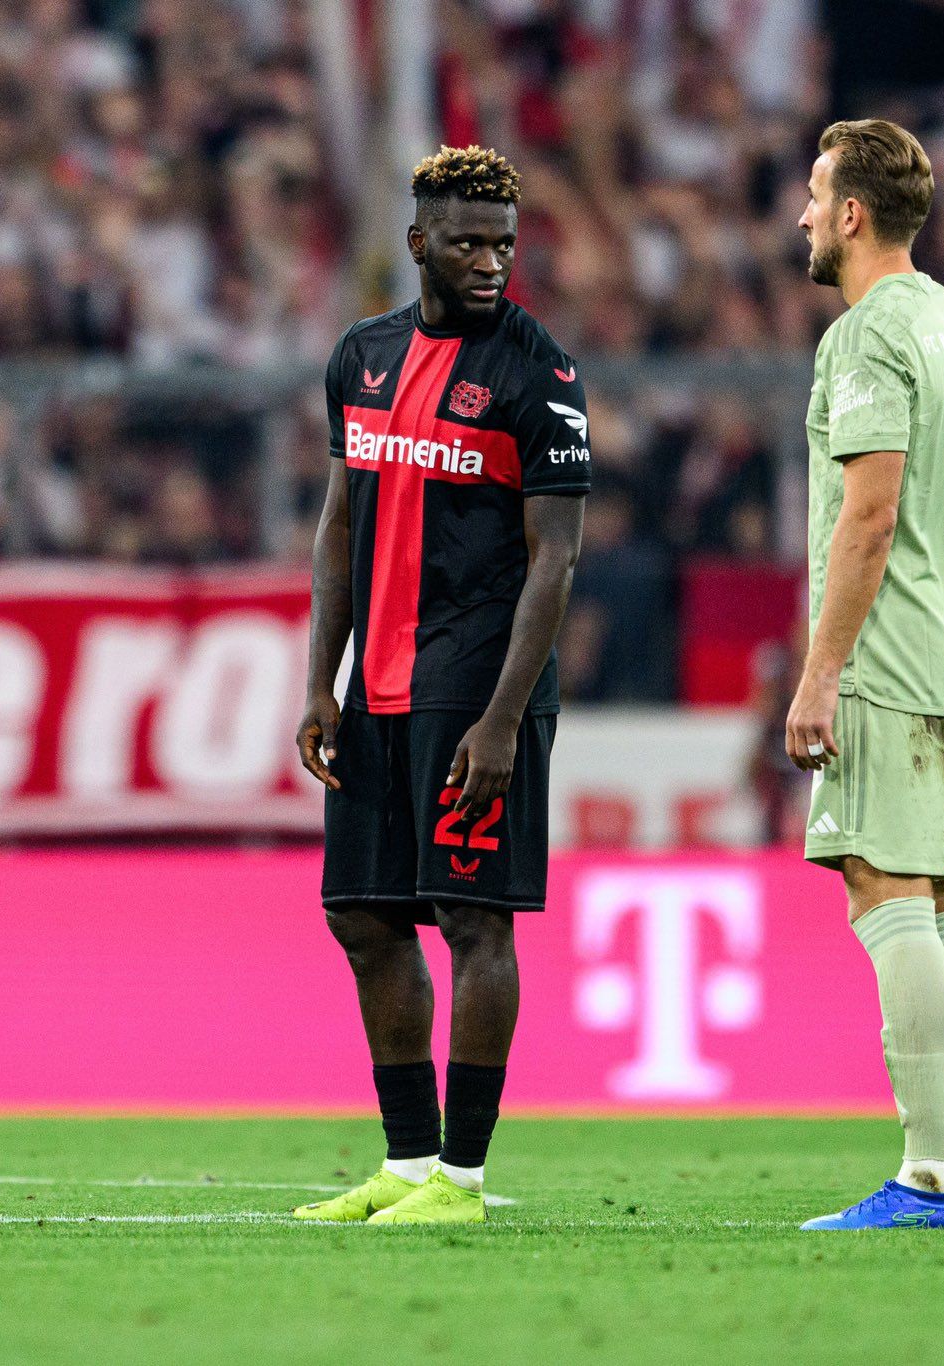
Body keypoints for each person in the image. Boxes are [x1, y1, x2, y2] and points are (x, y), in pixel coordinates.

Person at [292, 145, 589, 1226]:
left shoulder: (539, 373)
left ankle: (461, 1179)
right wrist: (319, 682)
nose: (489, 262)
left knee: (473, 920)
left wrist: (504, 718)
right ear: (418, 242)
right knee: (363, 917)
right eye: (466, 243)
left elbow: (555, 558)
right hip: (374, 685)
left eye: (503, 245)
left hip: (473, 688)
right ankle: (407, 1163)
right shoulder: (361, 357)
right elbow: (338, 527)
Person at [785, 119, 944, 1230]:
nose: (802, 217)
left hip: (888, 649)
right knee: (936, 911)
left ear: (853, 214)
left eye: (814, 197)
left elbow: (869, 515)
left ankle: (928, 1178)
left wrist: (820, 670)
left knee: (884, 892)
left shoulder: (867, 334)